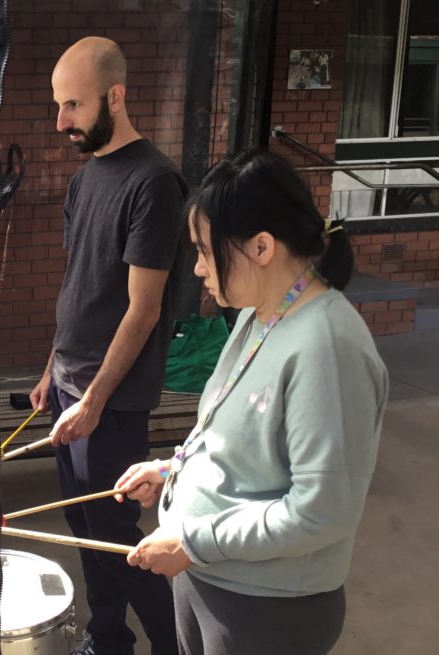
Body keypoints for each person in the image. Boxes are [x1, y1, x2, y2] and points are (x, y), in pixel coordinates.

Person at [115, 150, 388, 655]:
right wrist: (172, 468)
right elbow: (229, 433)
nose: (197, 268)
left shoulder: (326, 346)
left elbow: (321, 512)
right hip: (212, 582)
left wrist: (194, 543)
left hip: (266, 610)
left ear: (261, 246)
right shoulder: (260, 311)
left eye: (203, 250)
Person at [29, 37, 186, 655]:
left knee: (119, 534)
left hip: (111, 400)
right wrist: (52, 369)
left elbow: (143, 310)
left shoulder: (155, 183)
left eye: (72, 106)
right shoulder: (87, 176)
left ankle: (176, 645)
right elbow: (78, 286)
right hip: (70, 384)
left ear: (114, 98)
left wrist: (93, 399)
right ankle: (107, 634)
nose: (61, 121)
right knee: (82, 522)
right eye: (58, 106)